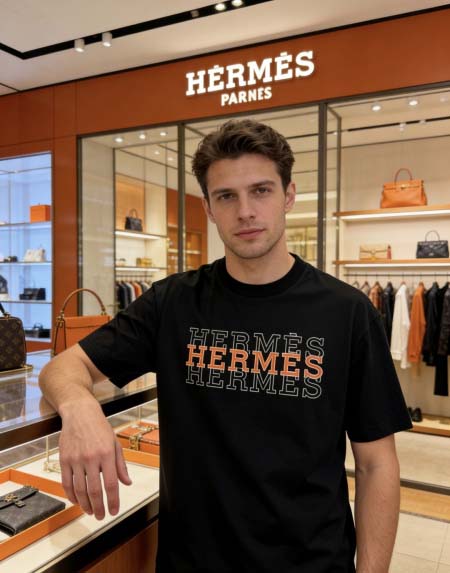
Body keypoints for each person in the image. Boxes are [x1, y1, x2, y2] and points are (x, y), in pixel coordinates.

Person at [39, 119, 412, 573]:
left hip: (312, 563)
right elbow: (62, 369)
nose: (245, 212)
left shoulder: (347, 312)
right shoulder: (172, 303)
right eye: (226, 196)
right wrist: (81, 409)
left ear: (288, 195)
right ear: (209, 208)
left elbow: (377, 465)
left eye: (261, 191)